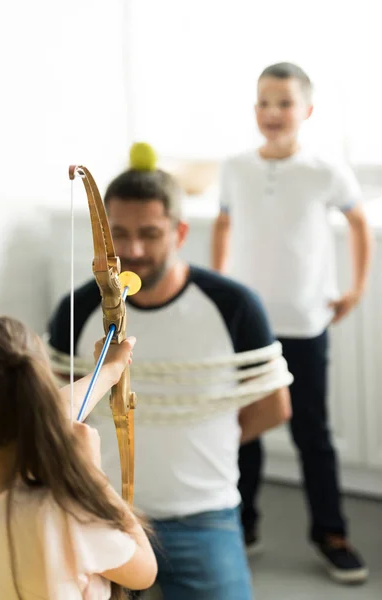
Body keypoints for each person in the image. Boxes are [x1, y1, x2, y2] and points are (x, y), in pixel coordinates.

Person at [47, 144, 293, 600]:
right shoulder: (77, 308)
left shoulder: (233, 305)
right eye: (117, 233)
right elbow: (58, 412)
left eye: (150, 233)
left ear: (179, 232)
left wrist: (202, 441)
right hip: (101, 511)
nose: (133, 250)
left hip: (203, 514)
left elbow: (274, 406)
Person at [211, 62, 373, 584]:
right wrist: (217, 286)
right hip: (248, 323)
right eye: (263, 102)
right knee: (245, 426)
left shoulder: (325, 169)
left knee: (312, 430)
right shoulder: (235, 166)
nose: (272, 113)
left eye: (283, 102)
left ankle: (331, 533)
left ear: (307, 110)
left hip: (305, 321)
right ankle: (244, 523)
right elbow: (224, 221)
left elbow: (356, 220)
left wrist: (356, 288)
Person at [0, 314, 157, 600]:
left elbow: (54, 410)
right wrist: (90, 474)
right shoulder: (63, 513)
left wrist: (108, 371)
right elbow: (144, 571)